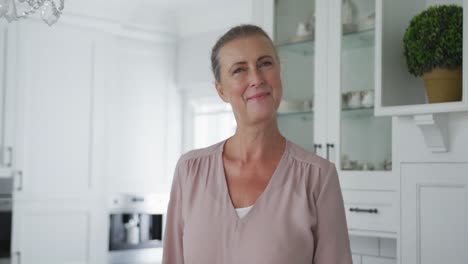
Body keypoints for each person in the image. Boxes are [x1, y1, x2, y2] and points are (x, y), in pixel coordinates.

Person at [162, 24, 352, 264]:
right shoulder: (190, 171)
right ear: (221, 91)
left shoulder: (317, 177)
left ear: (279, 71)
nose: (256, 78)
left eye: (265, 63)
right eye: (239, 70)